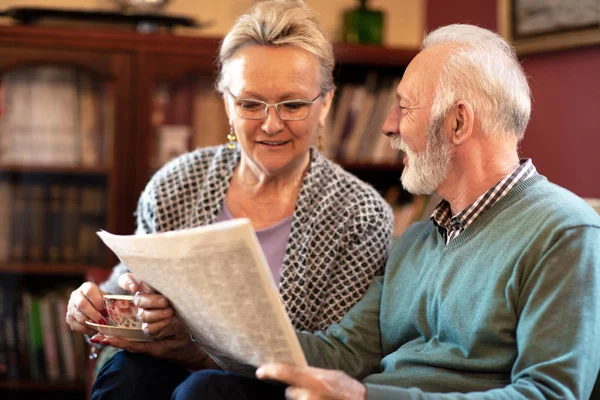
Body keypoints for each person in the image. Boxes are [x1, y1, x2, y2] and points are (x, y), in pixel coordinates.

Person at [163, 23, 600, 399]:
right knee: (204, 390)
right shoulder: (417, 239)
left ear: (458, 123)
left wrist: (368, 395)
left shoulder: (565, 232)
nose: (388, 125)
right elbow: (343, 353)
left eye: (404, 107)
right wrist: (204, 325)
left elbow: (549, 393)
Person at [66, 0, 394, 397]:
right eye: (250, 104)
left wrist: (197, 352)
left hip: (278, 388)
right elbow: (128, 288)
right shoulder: (177, 183)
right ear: (226, 103)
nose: (271, 125)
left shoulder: (359, 215)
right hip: (166, 372)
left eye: (292, 104)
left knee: (204, 390)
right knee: (128, 373)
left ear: (324, 105)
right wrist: (97, 307)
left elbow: (338, 359)